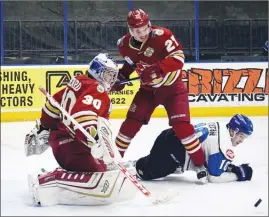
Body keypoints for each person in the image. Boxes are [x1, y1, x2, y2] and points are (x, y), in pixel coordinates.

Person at [24, 53, 137, 206]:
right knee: (102, 175)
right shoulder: (97, 89)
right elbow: (84, 116)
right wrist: (95, 140)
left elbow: (51, 107)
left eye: (113, 75)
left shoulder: (78, 81)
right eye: (109, 74)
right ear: (98, 71)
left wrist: (43, 127)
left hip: (63, 144)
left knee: (106, 167)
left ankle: (66, 173)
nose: (111, 79)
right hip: (74, 146)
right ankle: (49, 180)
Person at [111, 8, 207, 180]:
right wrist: (121, 78)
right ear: (129, 30)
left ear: (149, 25)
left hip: (173, 89)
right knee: (129, 124)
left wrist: (157, 69)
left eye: (143, 28)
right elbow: (130, 64)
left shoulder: (163, 35)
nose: (141, 33)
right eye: (135, 30)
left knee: (182, 127)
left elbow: (179, 59)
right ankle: (112, 162)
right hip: (148, 91)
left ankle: (200, 163)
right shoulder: (124, 44)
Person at [135, 114, 254, 183]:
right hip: (171, 155)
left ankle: (146, 161)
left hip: (168, 136)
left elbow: (208, 154)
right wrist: (237, 175)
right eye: (241, 136)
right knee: (144, 172)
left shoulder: (221, 125)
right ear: (234, 131)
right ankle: (137, 168)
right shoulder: (225, 146)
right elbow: (213, 177)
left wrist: (229, 167)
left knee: (171, 168)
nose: (241, 141)